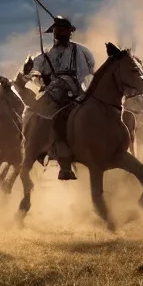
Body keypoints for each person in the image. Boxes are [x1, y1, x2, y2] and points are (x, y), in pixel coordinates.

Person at [31, 16, 96, 181]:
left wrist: (85, 89)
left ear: (70, 32)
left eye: (63, 29)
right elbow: (35, 72)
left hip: (80, 93)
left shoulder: (83, 51)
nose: (59, 32)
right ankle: (60, 161)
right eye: (57, 30)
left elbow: (90, 72)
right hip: (56, 96)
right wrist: (34, 73)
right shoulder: (46, 55)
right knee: (54, 121)